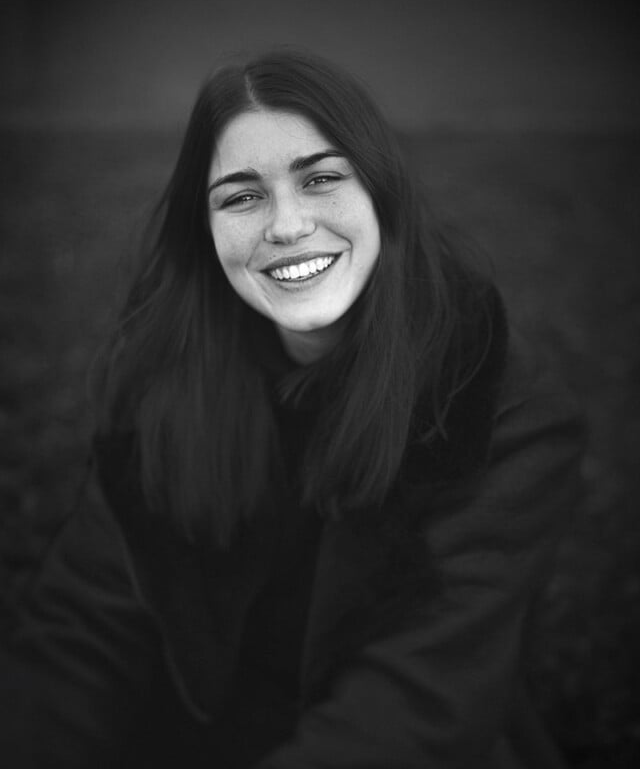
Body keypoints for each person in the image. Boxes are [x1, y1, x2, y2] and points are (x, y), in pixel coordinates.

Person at [0, 50, 585, 768]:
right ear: (205, 228)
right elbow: (81, 632)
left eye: (322, 179)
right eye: (242, 196)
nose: (285, 226)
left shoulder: (497, 403)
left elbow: (420, 704)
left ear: (383, 192)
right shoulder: (164, 375)